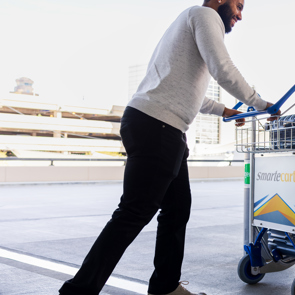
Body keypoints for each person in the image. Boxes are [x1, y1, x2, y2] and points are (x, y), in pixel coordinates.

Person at [58, 1, 276, 294]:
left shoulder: (187, 21)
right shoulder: (205, 15)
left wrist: (225, 110)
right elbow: (222, 68)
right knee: (134, 212)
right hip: (158, 126)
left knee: (176, 208)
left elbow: (189, 91)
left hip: (158, 125)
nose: (239, 14)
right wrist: (260, 103)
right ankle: (77, 291)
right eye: (237, 5)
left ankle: (165, 286)